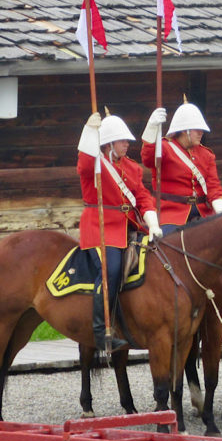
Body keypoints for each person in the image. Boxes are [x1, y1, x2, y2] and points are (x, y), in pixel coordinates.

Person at [77, 111, 161, 351]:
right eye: (122, 140)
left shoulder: (132, 168)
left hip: (128, 225)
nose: (127, 144)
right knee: (110, 270)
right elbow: (83, 163)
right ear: (109, 143)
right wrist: (89, 132)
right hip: (100, 226)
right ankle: (101, 330)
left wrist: (153, 223)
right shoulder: (93, 163)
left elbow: (142, 196)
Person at [140, 101, 222, 233]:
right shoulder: (164, 148)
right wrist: (152, 127)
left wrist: (221, 210)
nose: (201, 133)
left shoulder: (206, 154)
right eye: (197, 129)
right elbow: (147, 159)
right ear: (184, 130)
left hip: (202, 213)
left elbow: (213, 187)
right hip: (171, 213)